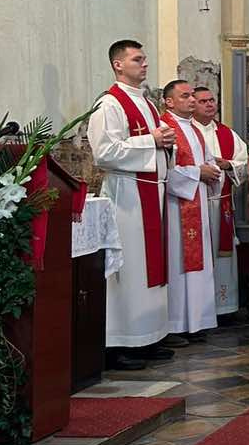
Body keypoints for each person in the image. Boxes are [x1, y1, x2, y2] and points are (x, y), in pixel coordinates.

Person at [87, 40, 177, 369]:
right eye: (137, 59)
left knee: (148, 269)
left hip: (150, 192)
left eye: (145, 59)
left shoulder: (147, 103)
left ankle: (147, 337)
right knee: (128, 269)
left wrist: (167, 144)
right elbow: (104, 152)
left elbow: (157, 146)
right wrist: (151, 140)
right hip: (127, 196)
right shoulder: (109, 104)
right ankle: (119, 342)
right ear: (118, 65)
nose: (144, 64)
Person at [159, 80, 221, 339]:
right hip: (174, 207)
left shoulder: (194, 129)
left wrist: (210, 170)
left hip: (197, 201)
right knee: (176, 263)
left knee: (198, 262)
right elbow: (164, 171)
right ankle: (174, 324)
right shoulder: (164, 128)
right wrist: (199, 172)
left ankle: (196, 321)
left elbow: (207, 160)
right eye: (185, 96)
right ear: (169, 101)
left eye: (192, 97)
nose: (192, 101)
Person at [192, 87, 249, 316]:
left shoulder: (227, 134)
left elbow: (244, 164)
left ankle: (222, 307)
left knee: (220, 256)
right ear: (192, 104)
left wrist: (228, 165)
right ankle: (197, 310)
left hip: (220, 202)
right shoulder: (186, 131)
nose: (209, 105)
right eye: (203, 101)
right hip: (194, 204)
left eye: (212, 100)